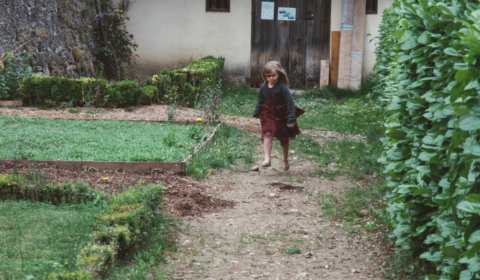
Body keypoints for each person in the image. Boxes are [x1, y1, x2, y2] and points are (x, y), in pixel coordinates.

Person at [253, 61, 305, 171]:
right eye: (268, 76)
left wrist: (291, 118)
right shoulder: (263, 87)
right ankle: (267, 158)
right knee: (267, 133)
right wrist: (257, 111)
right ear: (264, 75)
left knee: (283, 137)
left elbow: (290, 103)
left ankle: (285, 159)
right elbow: (260, 100)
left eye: (273, 75)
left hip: (281, 114)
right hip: (267, 112)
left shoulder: (282, 87)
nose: (271, 78)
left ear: (279, 75)